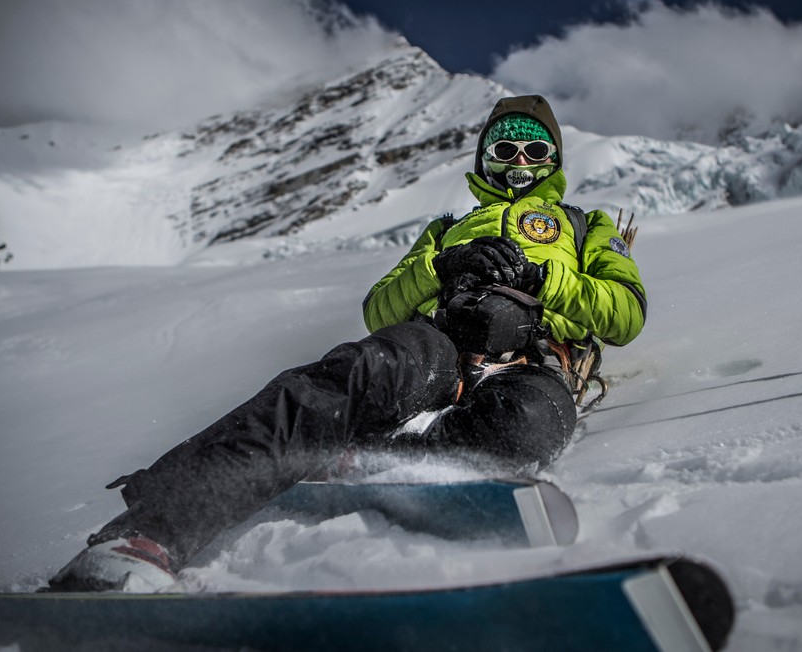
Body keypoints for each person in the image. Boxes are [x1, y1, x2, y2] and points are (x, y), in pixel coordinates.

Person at [48, 95, 647, 592]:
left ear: (553, 161)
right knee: (360, 371)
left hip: (535, 357)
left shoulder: (582, 224)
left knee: (528, 422)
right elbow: (378, 308)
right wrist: (441, 267)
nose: (519, 162)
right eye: (505, 148)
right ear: (484, 159)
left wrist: (544, 276)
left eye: (533, 150)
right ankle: (151, 530)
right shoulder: (444, 230)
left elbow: (624, 314)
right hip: (443, 344)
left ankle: (388, 463)